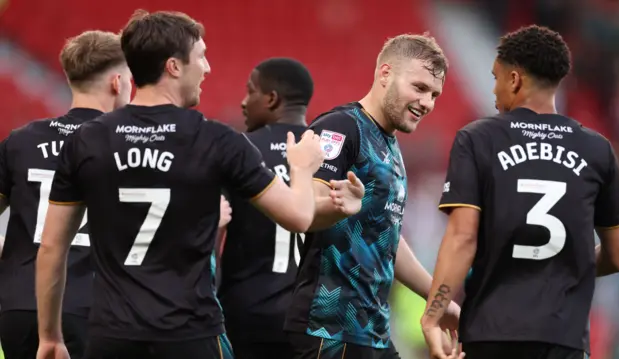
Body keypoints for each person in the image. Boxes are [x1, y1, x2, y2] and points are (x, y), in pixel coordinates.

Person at [34, 10, 360, 359]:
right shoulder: (217, 140)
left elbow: (52, 247)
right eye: (201, 57)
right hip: (191, 334)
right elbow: (297, 217)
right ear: (174, 66)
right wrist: (301, 166)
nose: (207, 69)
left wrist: (50, 337)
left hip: (112, 336)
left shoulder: (87, 140)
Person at [421, 25, 619, 359]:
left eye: (496, 78)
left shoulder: (477, 139)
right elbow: (618, 255)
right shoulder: (598, 150)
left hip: (491, 333)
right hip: (564, 338)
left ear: (515, 80)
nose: (493, 90)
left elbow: (463, 237)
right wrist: (565, 263)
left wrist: (433, 316)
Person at [284, 33, 461, 359]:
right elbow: (304, 212)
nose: (428, 102)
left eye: (435, 94)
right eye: (419, 88)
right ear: (385, 74)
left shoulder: (391, 147)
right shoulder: (341, 127)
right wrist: (339, 208)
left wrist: (437, 300)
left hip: (373, 331)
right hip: (329, 330)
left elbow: (386, 238)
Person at [0, 30, 132, 359]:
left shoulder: (21, 140)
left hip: (19, 305)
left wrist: (13, 257)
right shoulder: (129, 148)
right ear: (118, 82)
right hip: (91, 306)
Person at [217, 57, 314, 359]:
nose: (244, 102)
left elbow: (211, 231)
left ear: (272, 99)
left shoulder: (239, 150)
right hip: (313, 319)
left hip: (247, 314)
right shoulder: (328, 153)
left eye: (251, 92)